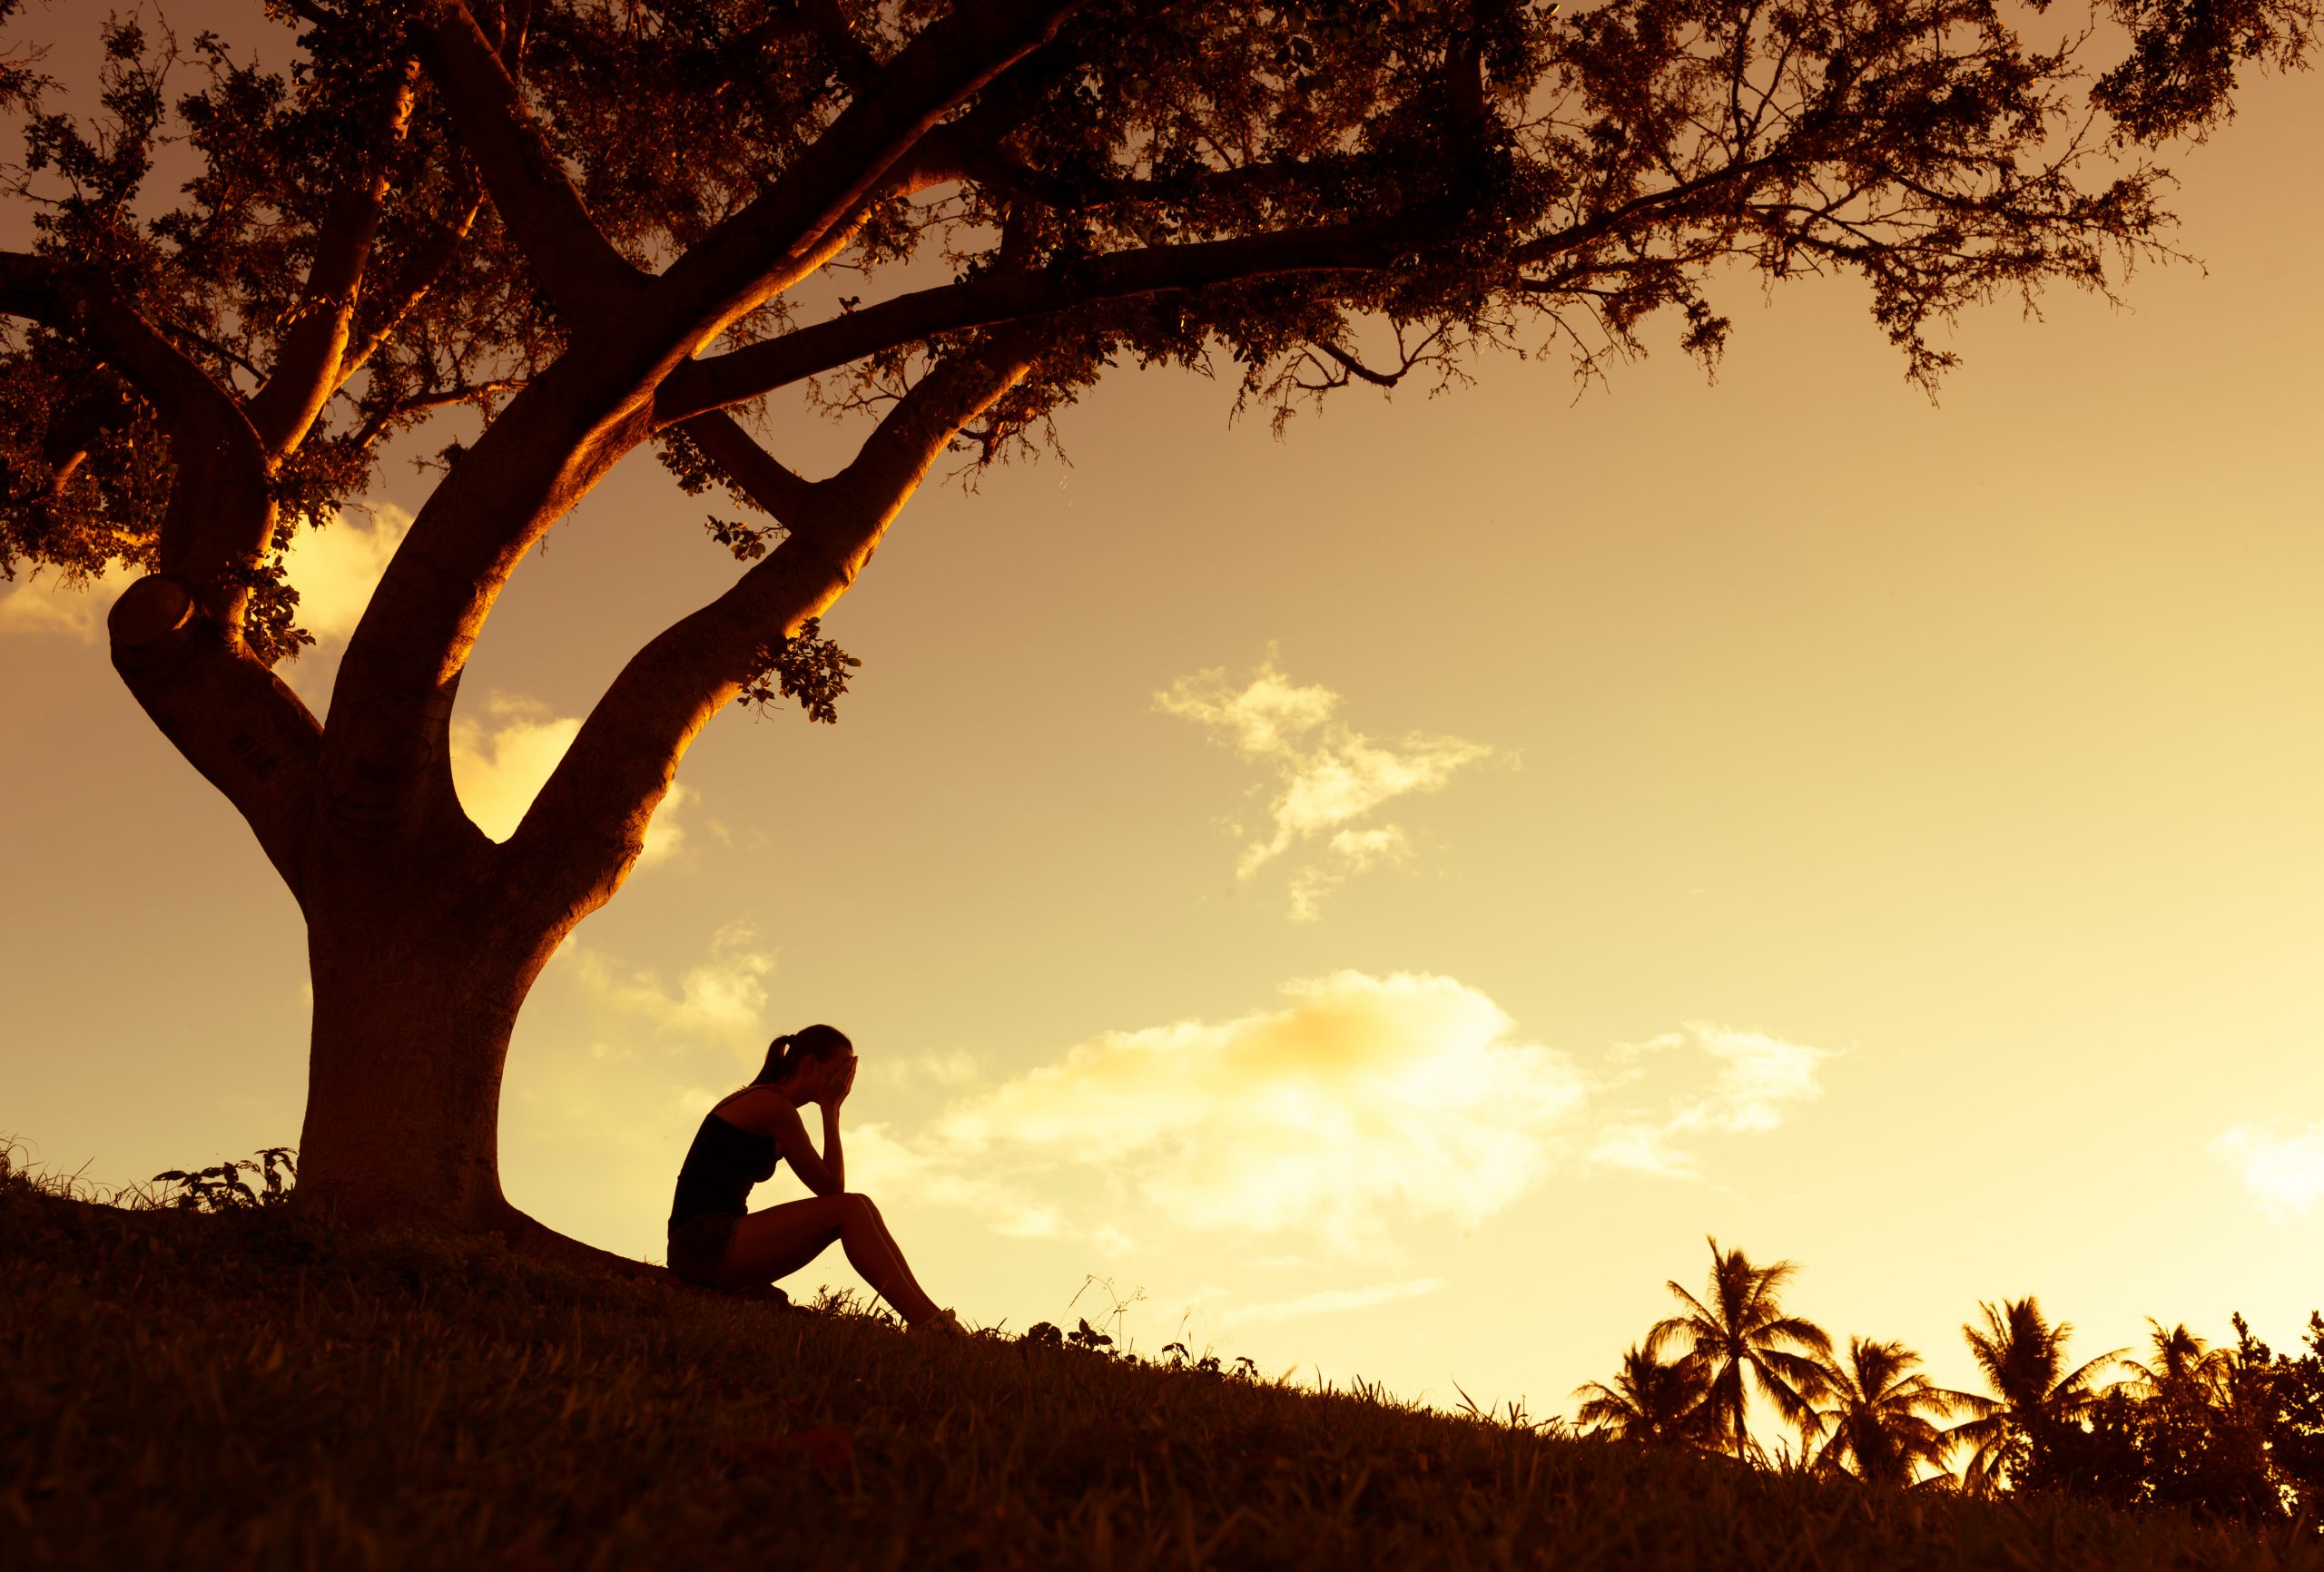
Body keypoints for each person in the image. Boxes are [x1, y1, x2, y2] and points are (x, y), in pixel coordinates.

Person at [665, 1023, 960, 1331]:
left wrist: (831, 1107)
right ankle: (929, 1325)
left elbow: (832, 1186)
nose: (843, 1084)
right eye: (839, 1074)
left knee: (862, 1205)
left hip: (712, 1244)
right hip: (701, 1243)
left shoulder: (777, 1108)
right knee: (851, 1208)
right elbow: (831, 1188)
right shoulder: (771, 1105)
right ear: (809, 1064)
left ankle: (933, 1319)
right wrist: (831, 1109)